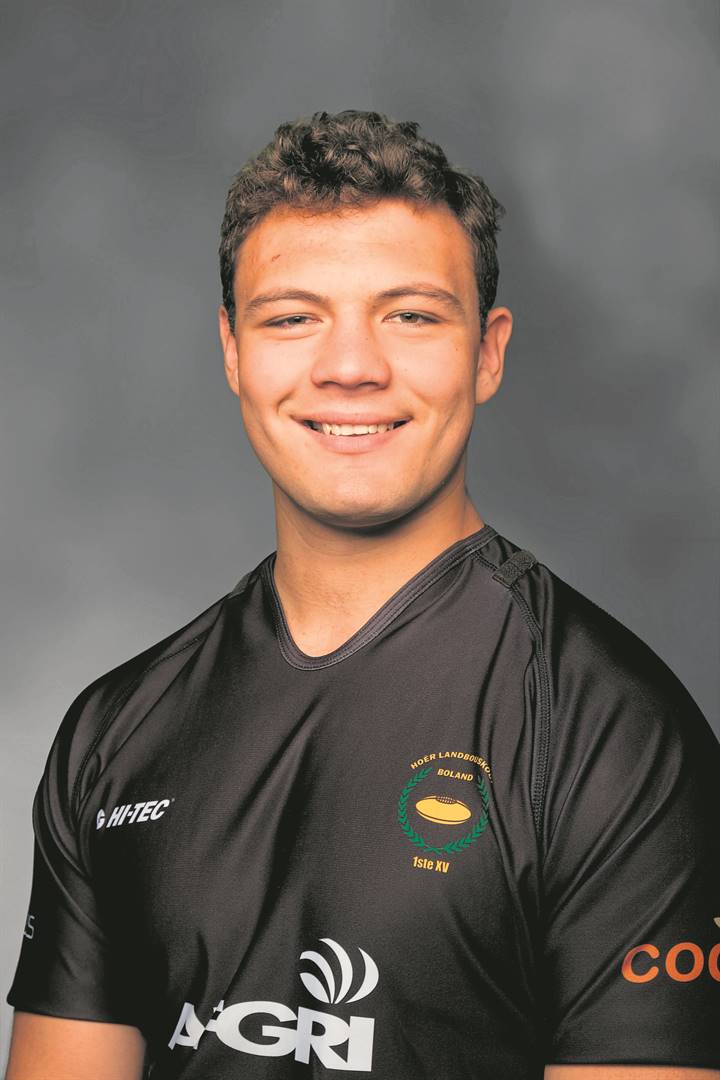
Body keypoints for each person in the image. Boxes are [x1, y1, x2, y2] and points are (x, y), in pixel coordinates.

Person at [4, 108, 719, 1080]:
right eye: (292, 318)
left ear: (488, 352)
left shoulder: (616, 738)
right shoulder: (114, 733)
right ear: (232, 351)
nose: (350, 367)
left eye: (411, 315)